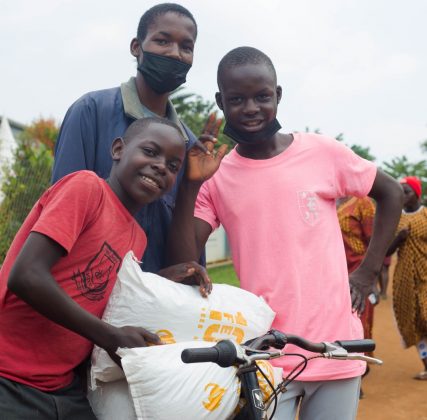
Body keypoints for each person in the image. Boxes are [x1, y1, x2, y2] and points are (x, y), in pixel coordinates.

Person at [167, 47, 404, 420]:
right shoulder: (217, 176)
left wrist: (367, 271)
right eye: (237, 99)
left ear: (277, 95)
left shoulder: (321, 152)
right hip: (264, 354)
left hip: (333, 346)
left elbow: (390, 192)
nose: (251, 108)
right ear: (221, 101)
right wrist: (190, 185)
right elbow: (184, 259)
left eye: (262, 96)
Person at [0, 117, 212, 419]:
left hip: (61, 387)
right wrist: (110, 337)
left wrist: (163, 279)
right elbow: (27, 276)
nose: (160, 166)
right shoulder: (87, 188)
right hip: (9, 377)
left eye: (173, 166)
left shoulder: (137, 237)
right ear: (118, 150)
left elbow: (97, 293)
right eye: (150, 152)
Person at [52, 3, 204, 273]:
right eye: (162, 41)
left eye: (186, 47)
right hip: (84, 290)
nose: (174, 53)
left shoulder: (190, 147)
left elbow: (185, 261)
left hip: (155, 295)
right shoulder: (91, 111)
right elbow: (60, 216)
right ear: (136, 47)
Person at [387, 176, 427, 380]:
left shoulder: (425, 215)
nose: (403, 196)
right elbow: (386, 251)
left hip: (425, 275)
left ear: (417, 194)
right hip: (405, 277)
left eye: (407, 192)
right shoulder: (396, 218)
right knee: (414, 322)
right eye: (401, 192)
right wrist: (398, 239)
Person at [337, 196, 377, 399]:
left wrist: (370, 277)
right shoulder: (331, 199)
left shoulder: (363, 203)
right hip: (333, 274)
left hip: (358, 276)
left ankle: (357, 375)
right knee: (336, 325)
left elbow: (374, 241)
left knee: (358, 323)